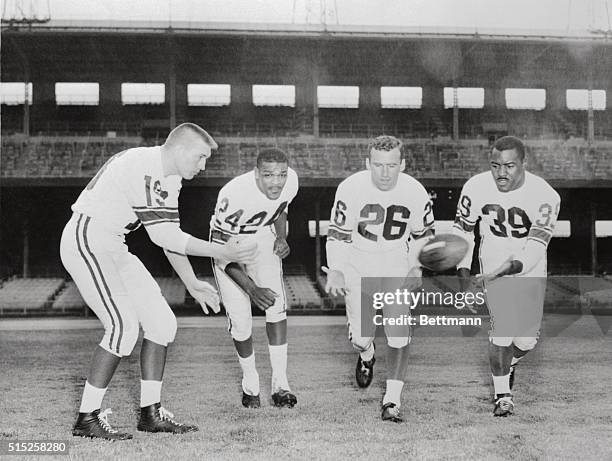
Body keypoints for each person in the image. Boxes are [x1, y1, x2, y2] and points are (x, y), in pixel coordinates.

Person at [60, 123, 257, 440]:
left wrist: (191, 282)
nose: (203, 165)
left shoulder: (169, 177)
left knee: (163, 324)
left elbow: (169, 238)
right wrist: (222, 250)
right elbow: (164, 235)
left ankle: (150, 414)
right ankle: (87, 418)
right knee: (122, 327)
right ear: (179, 149)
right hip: (88, 238)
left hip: (113, 244)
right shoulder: (145, 165)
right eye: (200, 156)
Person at [325, 135, 434, 422]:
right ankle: (366, 355)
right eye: (378, 165)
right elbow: (338, 234)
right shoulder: (350, 188)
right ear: (367, 163)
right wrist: (335, 268)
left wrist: (416, 267)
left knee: (399, 332)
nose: (385, 173)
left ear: (403, 164)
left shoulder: (415, 191)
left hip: (396, 261)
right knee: (361, 338)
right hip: (358, 263)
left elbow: (423, 236)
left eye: (391, 165)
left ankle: (392, 400)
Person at [453, 135, 560, 417]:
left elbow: (535, 249)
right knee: (501, 330)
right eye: (495, 166)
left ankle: (510, 362)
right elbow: (463, 234)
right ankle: (503, 395)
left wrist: (507, 268)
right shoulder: (475, 186)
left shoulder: (545, 195)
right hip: (492, 262)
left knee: (526, 341)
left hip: (530, 268)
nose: (501, 173)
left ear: (524, 164)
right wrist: (465, 279)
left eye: (510, 166)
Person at [209, 148, 299, 409]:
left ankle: (281, 384)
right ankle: (250, 382)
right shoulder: (233, 194)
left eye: (281, 174)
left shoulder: (290, 181)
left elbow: (281, 210)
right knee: (241, 323)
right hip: (229, 246)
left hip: (262, 236)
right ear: (257, 173)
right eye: (269, 175)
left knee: (276, 308)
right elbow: (221, 251)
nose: (277, 181)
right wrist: (251, 288)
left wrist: (281, 237)